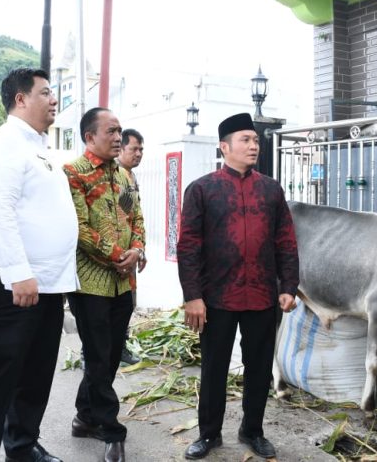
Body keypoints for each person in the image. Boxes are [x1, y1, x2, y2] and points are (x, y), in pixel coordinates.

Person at [0, 68, 78, 462]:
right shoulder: (3, 143)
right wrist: (18, 272)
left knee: (35, 375)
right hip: (9, 282)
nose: (53, 99)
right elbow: (0, 211)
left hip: (45, 283)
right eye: (46, 92)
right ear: (21, 99)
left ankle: (22, 447)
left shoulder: (39, 147)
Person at [177, 113, 299, 460]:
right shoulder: (202, 189)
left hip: (262, 294)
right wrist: (193, 296)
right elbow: (188, 246)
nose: (253, 145)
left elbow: (286, 240)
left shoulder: (271, 189)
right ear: (224, 146)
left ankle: (252, 431)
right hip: (217, 296)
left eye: (256, 140)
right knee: (214, 369)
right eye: (245, 139)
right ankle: (209, 434)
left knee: (259, 369)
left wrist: (288, 284)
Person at [63, 108, 145, 462]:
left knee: (110, 355)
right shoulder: (73, 174)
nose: (117, 137)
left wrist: (138, 248)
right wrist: (117, 254)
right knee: (98, 354)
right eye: (111, 131)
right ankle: (112, 430)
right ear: (89, 136)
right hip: (90, 284)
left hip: (124, 283)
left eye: (119, 131)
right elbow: (79, 228)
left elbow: (137, 216)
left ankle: (85, 416)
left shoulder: (125, 176)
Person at [116, 128, 147, 366]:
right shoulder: (114, 176)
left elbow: (136, 217)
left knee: (127, 303)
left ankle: (120, 346)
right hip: (111, 256)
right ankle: (92, 352)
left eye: (141, 150)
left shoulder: (131, 177)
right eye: (133, 149)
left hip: (130, 255)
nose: (138, 154)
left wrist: (139, 249)